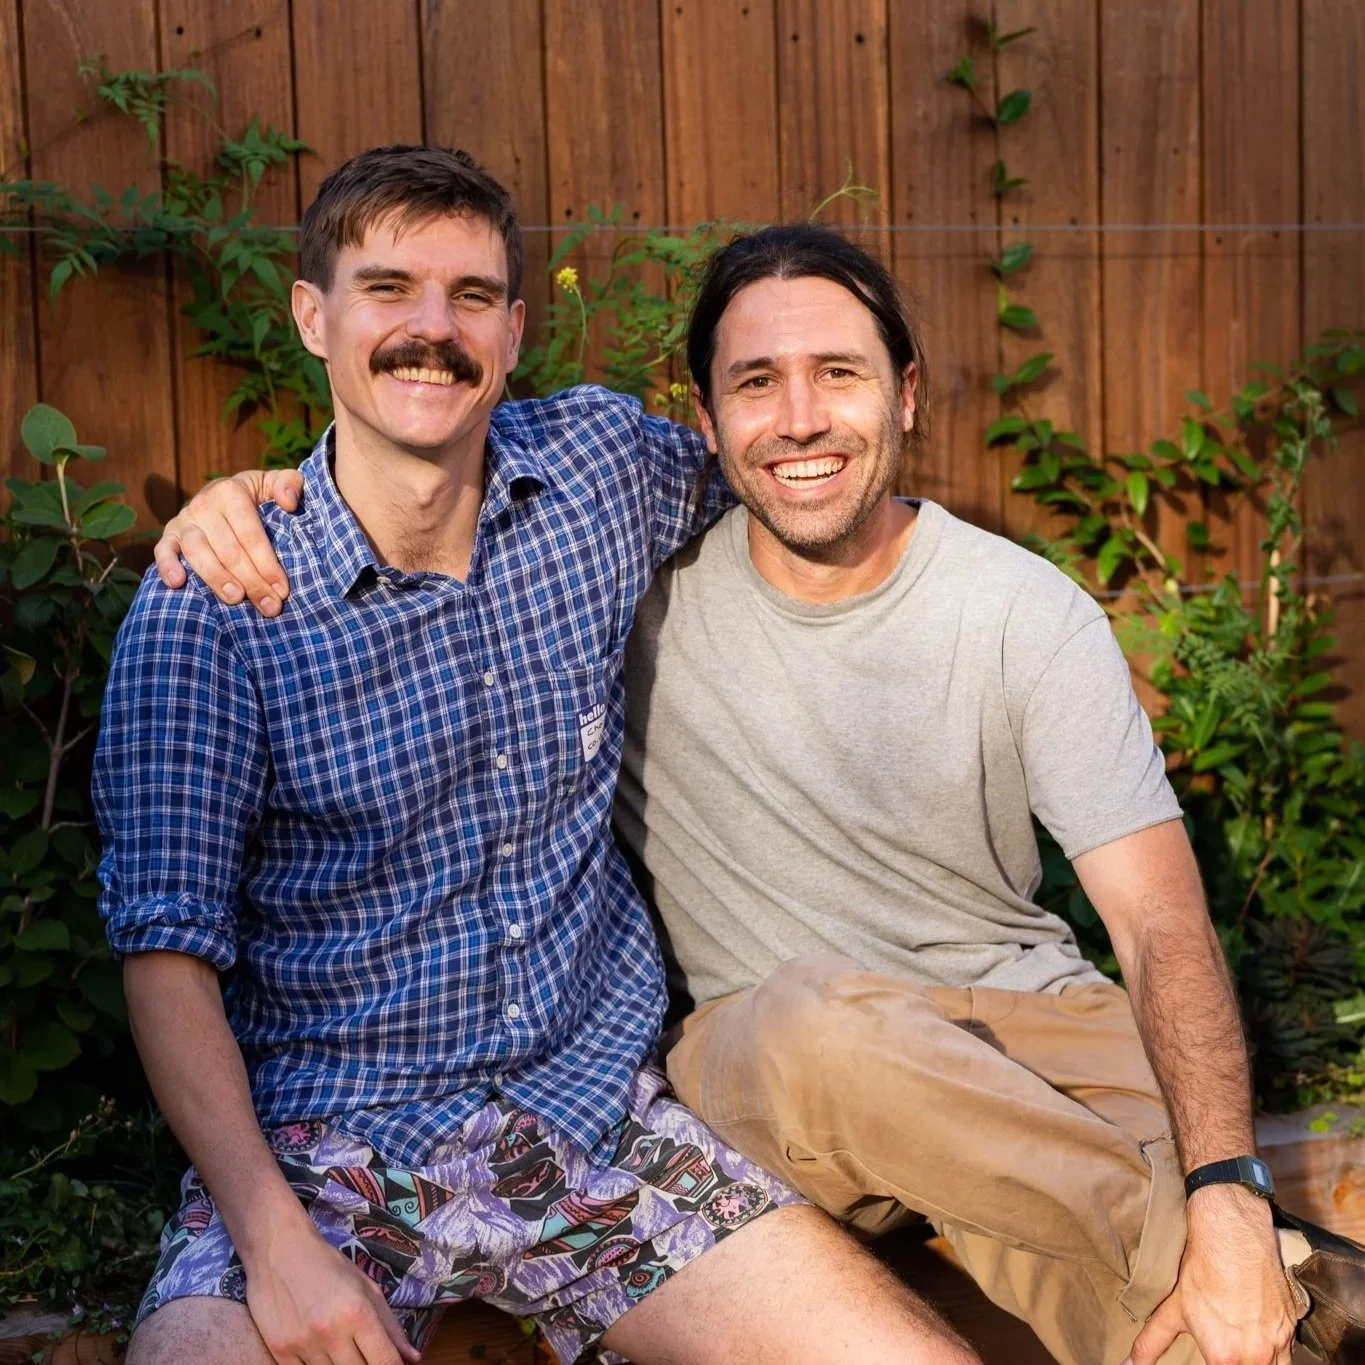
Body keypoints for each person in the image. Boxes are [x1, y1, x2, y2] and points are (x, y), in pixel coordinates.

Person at [153, 220, 1365, 1365]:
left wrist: (1227, 1188)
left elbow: (1160, 922)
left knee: (1206, 1215)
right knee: (824, 1028)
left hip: (1020, 1030)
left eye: (838, 373)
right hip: (772, 1057)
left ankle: (1267, 1291)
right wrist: (257, 496)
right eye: (755, 383)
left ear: (906, 393)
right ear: (706, 419)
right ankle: (1299, 1300)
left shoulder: (1022, 610)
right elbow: (406, 478)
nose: (798, 420)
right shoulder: (631, 569)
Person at [95, 149, 978, 1365]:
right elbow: (166, 955)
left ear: (512, 331)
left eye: (469, 296)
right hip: (326, 1155)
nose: (431, 330)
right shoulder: (216, 605)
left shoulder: (598, 476)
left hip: (603, 1128)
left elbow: (786, 468)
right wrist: (273, 1242)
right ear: (313, 316)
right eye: (388, 289)